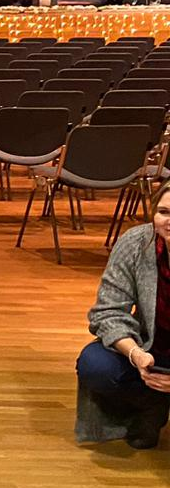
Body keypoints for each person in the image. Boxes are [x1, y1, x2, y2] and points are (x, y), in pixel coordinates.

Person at [76, 179, 170, 449]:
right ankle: (152, 404)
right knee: (95, 365)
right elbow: (107, 312)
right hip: (151, 347)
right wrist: (136, 354)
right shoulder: (135, 242)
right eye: (164, 212)